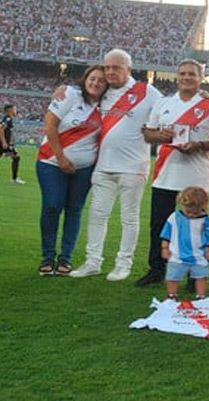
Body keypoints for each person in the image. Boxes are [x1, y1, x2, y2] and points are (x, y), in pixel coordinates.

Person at [69, 49, 163, 281]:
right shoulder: (103, 91)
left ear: (128, 70)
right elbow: (77, 95)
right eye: (107, 67)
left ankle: (123, 264)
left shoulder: (146, 91)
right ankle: (93, 262)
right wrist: (63, 90)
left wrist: (202, 93)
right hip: (103, 166)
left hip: (133, 167)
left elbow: (171, 108)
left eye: (116, 67)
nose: (110, 71)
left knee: (129, 218)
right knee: (97, 215)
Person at [134, 59, 209, 288]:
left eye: (192, 74)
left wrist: (199, 145)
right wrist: (162, 136)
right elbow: (148, 134)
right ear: (177, 76)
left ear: (200, 77)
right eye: (183, 73)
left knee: (195, 228)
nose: (186, 77)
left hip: (195, 177)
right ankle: (157, 268)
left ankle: (193, 274)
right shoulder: (164, 103)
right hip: (165, 174)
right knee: (159, 225)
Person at [36, 65, 107, 276]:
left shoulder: (108, 105)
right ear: (85, 79)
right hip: (51, 162)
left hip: (84, 169)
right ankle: (48, 257)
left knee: (74, 210)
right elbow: (50, 125)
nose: (95, 83)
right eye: (92, 79)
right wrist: (61, 157)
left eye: (101, 81)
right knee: (52, 206)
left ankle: (65, 259)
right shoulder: (69, 94)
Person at [160, 186, 209, 300]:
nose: (191, 215)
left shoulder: (205, 220)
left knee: (202, 276)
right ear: (182, 204)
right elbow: (166, 234)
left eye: (195, 213)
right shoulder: (174, 217)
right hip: (177, 255)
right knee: (172, 276)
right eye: (188, 211)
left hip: (199, 255)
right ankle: (172, 295)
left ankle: (200, 296)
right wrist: (165, 248)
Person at [1, 104, 25, 184]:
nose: (16, 111)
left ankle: (14, 179)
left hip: (6, 145)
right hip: (3, 145)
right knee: (16, 158)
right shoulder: (7, 118)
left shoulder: (9, 118)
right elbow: (1, 129)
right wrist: (4, 142)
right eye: (15, 109)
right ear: (10, 110)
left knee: (16, 158)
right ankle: (14, 179)